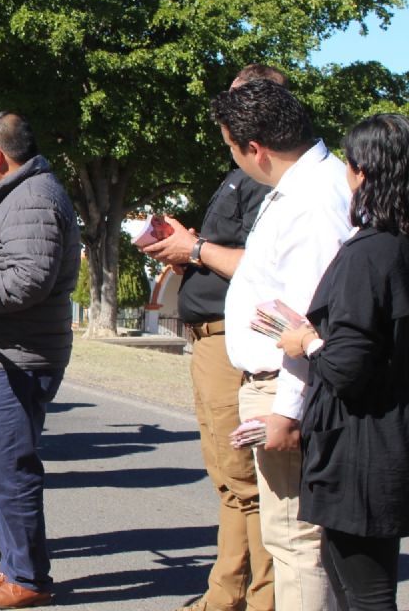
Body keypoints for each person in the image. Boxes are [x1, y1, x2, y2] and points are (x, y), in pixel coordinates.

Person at [143, 64, 280, 611]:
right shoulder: (238, 174)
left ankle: (256, 599)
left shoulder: (266, 181)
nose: (226, 121)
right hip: (208, 338)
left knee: (249, 483)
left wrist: (193, 251)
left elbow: (261, 264)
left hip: (232, 337)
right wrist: (189, 244)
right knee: (228, 480)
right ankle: (225, 593)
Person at [214, 79, 352, 611]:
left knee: (298, 543)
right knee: (291, 540)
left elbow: (311, 319)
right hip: (278, 384)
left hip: (289, 387)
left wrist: (288, 410)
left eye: (231, 147)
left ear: (256, 149)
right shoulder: (302, 189)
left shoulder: (314, 201)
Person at [276, 113, 409, 611]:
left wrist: (305, 343)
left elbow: (348, 367)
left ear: (363, 174)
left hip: (364, 447)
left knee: (367, 594)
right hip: (391, 437)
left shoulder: (369, 254)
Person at [0, 112, 79, 608]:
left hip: (18, 355)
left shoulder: (36, 197)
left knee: (12, 468)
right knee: (3, 468)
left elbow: (30, 280)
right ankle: (12, 565)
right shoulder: (19, 194)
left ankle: (27, 578)